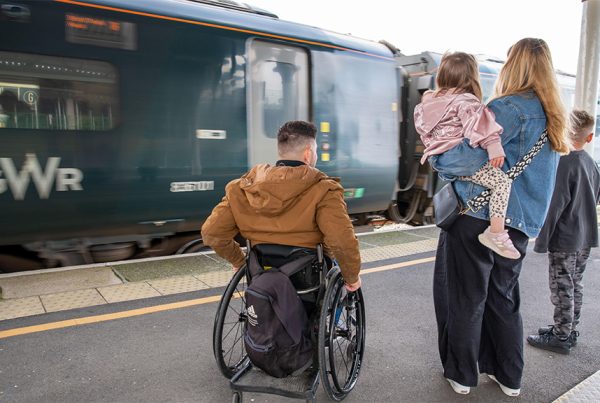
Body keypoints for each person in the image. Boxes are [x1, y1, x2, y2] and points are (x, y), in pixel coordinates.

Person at [433, 38, 569, 397]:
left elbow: (463, 159)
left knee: (467, 296)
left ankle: (462, 375)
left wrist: (436, 158)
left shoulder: (505, 108)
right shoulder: (555, 116)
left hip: (477, 217)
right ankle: (508, 376)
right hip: (519, 226)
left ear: (515, 65)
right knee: (504, 297)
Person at [201, 120, 362, 292]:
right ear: (308, 154)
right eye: (315, 151)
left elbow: (212, 233)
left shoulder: (240, 188)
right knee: (338, 265)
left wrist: (240, 261)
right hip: (308, 280)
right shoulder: (324, 189)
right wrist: (352, 277)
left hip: (260, 272)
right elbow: (341, 239)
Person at [414, 52, 519, 259]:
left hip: (440, 158)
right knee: (502, 183)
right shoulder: (466, 101)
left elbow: (423, 130)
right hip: (462, 157)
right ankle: (496, 233)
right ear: (471, 77)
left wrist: (436, 148)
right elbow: (480, 126)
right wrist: (494, 147)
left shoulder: (427, 103)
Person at [527, 110, 600, 354]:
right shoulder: (591, 164)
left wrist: (541, 241)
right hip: (585, 237)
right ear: (589, 138)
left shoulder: (563, 164)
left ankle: (560, 336)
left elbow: (554, 206)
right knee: (575, 283)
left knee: (561, 286)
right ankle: (569, 330)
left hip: (565, 238)